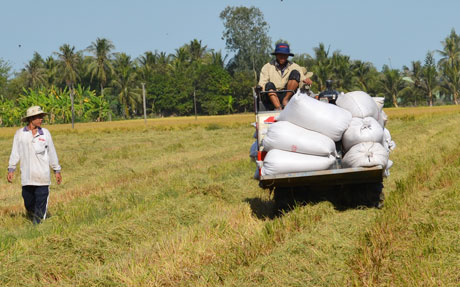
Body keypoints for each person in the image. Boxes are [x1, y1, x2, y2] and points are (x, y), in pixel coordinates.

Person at [7, 106, 62, 224]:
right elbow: (15, 152)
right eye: (39, 117)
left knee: (40, 205)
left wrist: (56, 170)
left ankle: (37, 228)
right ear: (31, 118)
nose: (41, 119)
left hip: (42, 177)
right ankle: (34, 217)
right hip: (27, 178)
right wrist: (11, 169)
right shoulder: (20, 134)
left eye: (41, 116)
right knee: (28, 202)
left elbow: (52, 152)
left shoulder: (45, 134)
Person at [258, 43, 313, 110]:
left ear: (288, 56)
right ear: (276, 55)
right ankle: (278, 108)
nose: (282, 57)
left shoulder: (295, 66)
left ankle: (285, 100)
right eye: (280, 54)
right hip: (272, 96)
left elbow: (302, 81)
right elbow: (262, 84)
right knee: (269, 84)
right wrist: (261, 88)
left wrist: (307, 82)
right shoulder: (267, 67)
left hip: (289, 95)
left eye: (285, 55)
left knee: (295, 73)